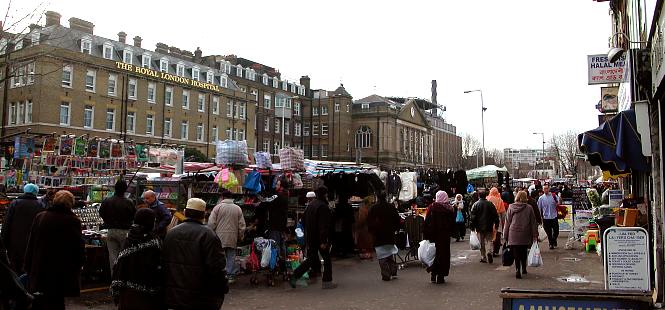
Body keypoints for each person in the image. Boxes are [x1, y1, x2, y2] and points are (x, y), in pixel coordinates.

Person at [163, 198, 228, 310]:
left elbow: (164, 263)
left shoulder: (171, 233)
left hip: (175, 296)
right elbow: (217, 267)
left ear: (184, 212)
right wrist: (222, 287)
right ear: (203, 215)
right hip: (201, 297)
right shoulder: (208, 235)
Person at [24, 190, 84, 310]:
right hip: (60, 270)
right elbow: (77, 247)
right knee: (56, 301)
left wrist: (28, 265)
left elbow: (31, 243)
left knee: (39, 301)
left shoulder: (41, 217)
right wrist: (80, 264)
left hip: (40, 266)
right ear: (70, 204)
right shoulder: (73, 221)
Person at [111, 208, 163, 310]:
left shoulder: (129, 238)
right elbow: (157, 269)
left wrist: (116, 291)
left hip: (127, 295)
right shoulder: (154, 241)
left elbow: (119, 266)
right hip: (146, 296)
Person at [290, 186, 336, 289]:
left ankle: (294, 276)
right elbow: (323, 225)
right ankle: (327, 282)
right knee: (326, 258)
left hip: (310, 237)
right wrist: (324, 241)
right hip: (319, 238)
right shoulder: (323, 206)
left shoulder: (311, 205)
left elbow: (304, 221)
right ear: (324, 194)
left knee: (311, 259)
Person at [1, 183, 44, 273]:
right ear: (35, 192)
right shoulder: (40, 205)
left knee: (14, 268)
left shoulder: (15, 203)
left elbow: (7, 223)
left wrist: (3, 242)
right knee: (27, 269)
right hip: (31, 243)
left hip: (14, 243)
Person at [208, 190, 246, 283]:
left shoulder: (217, 208)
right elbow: (242, 225)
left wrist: (211, 234)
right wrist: (240, 236)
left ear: (222, 197)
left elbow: (211, 223)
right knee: (231, 256)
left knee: (220, 256)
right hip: (233, 236)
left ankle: (221, 275)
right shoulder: (237, 208)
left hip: (219, 236)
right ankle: (230, 276)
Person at [99, 179, 136, 275]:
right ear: (125, 190)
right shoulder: (129, 202)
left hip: (111, 231)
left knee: (113, 256)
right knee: (124, 256)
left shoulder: (107, 201)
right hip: (125, 231)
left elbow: (101, 213)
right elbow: (134, 216)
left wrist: (108, 221)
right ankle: (122, 278)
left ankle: (114, 278)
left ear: (115, 188)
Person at [503, 191, 538, 279]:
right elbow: (533, 222)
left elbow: (507, 222)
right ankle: (524, 268)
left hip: (513, 233)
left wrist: (505, 235)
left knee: (516, 253)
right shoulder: (529, 208)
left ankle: (517, 269)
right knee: (523, 251)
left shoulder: (511, 207)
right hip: (525, 233)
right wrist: (535, 235)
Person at [367, 191, 400, 281]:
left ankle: (386, 274)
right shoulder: (390, 207)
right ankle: (393, 271)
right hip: (389, 233)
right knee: (390, 252)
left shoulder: (373, 208)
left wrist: (372, 232)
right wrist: (395, 229)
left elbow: (369, 222)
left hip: (378, 235)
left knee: (382, 255)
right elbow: (397, 219)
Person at [424, 191, 455, 284]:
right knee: (443, 256)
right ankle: (441, 276)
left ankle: (433, 274)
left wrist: (426, 235)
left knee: (434, 254)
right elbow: (452, 224)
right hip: (444, 237)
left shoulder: (432, 207)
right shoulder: (449, 209)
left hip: (433, 236)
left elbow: (427, 222)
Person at [469, 190, 499, 264]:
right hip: (489, 225)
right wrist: (496, 223)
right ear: (486, 196)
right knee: (489, 240)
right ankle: (489, 252)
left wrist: (472, 226)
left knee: (481, 242)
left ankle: (483, 257)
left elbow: (472, 217)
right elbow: (495, 215)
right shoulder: (490, 204)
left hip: (479, 227)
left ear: (479, 196)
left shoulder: (475, 204)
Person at [267, 189, 288, 271]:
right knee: (282, 245)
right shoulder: (284, 201)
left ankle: (276, 264)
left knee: (275, 246)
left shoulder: (275, 201)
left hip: (275, 227)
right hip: (281, 227)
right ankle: (283, 265)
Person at [538, 185, 559, 249]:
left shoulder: (554, 196)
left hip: (554, 216)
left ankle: (553, 239)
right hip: (546, 217)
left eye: (547, 188)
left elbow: (559, 202)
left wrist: (558, 202)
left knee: (556, 231)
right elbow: (539, 208)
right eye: (544, 189)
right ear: (543, 189)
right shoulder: (541, 198)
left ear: (549, 189)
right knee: (548, 232)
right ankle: (551, 243)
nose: (546, 190)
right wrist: (540, 218)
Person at [487, 187, 506, 256]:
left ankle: (490, 250)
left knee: (490, 236)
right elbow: (503, 213)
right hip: (498, 219)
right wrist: (504, 222)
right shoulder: (500, 200)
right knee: (497, 235)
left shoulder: (487, 199)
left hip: (488, 220)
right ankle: (495, 251)